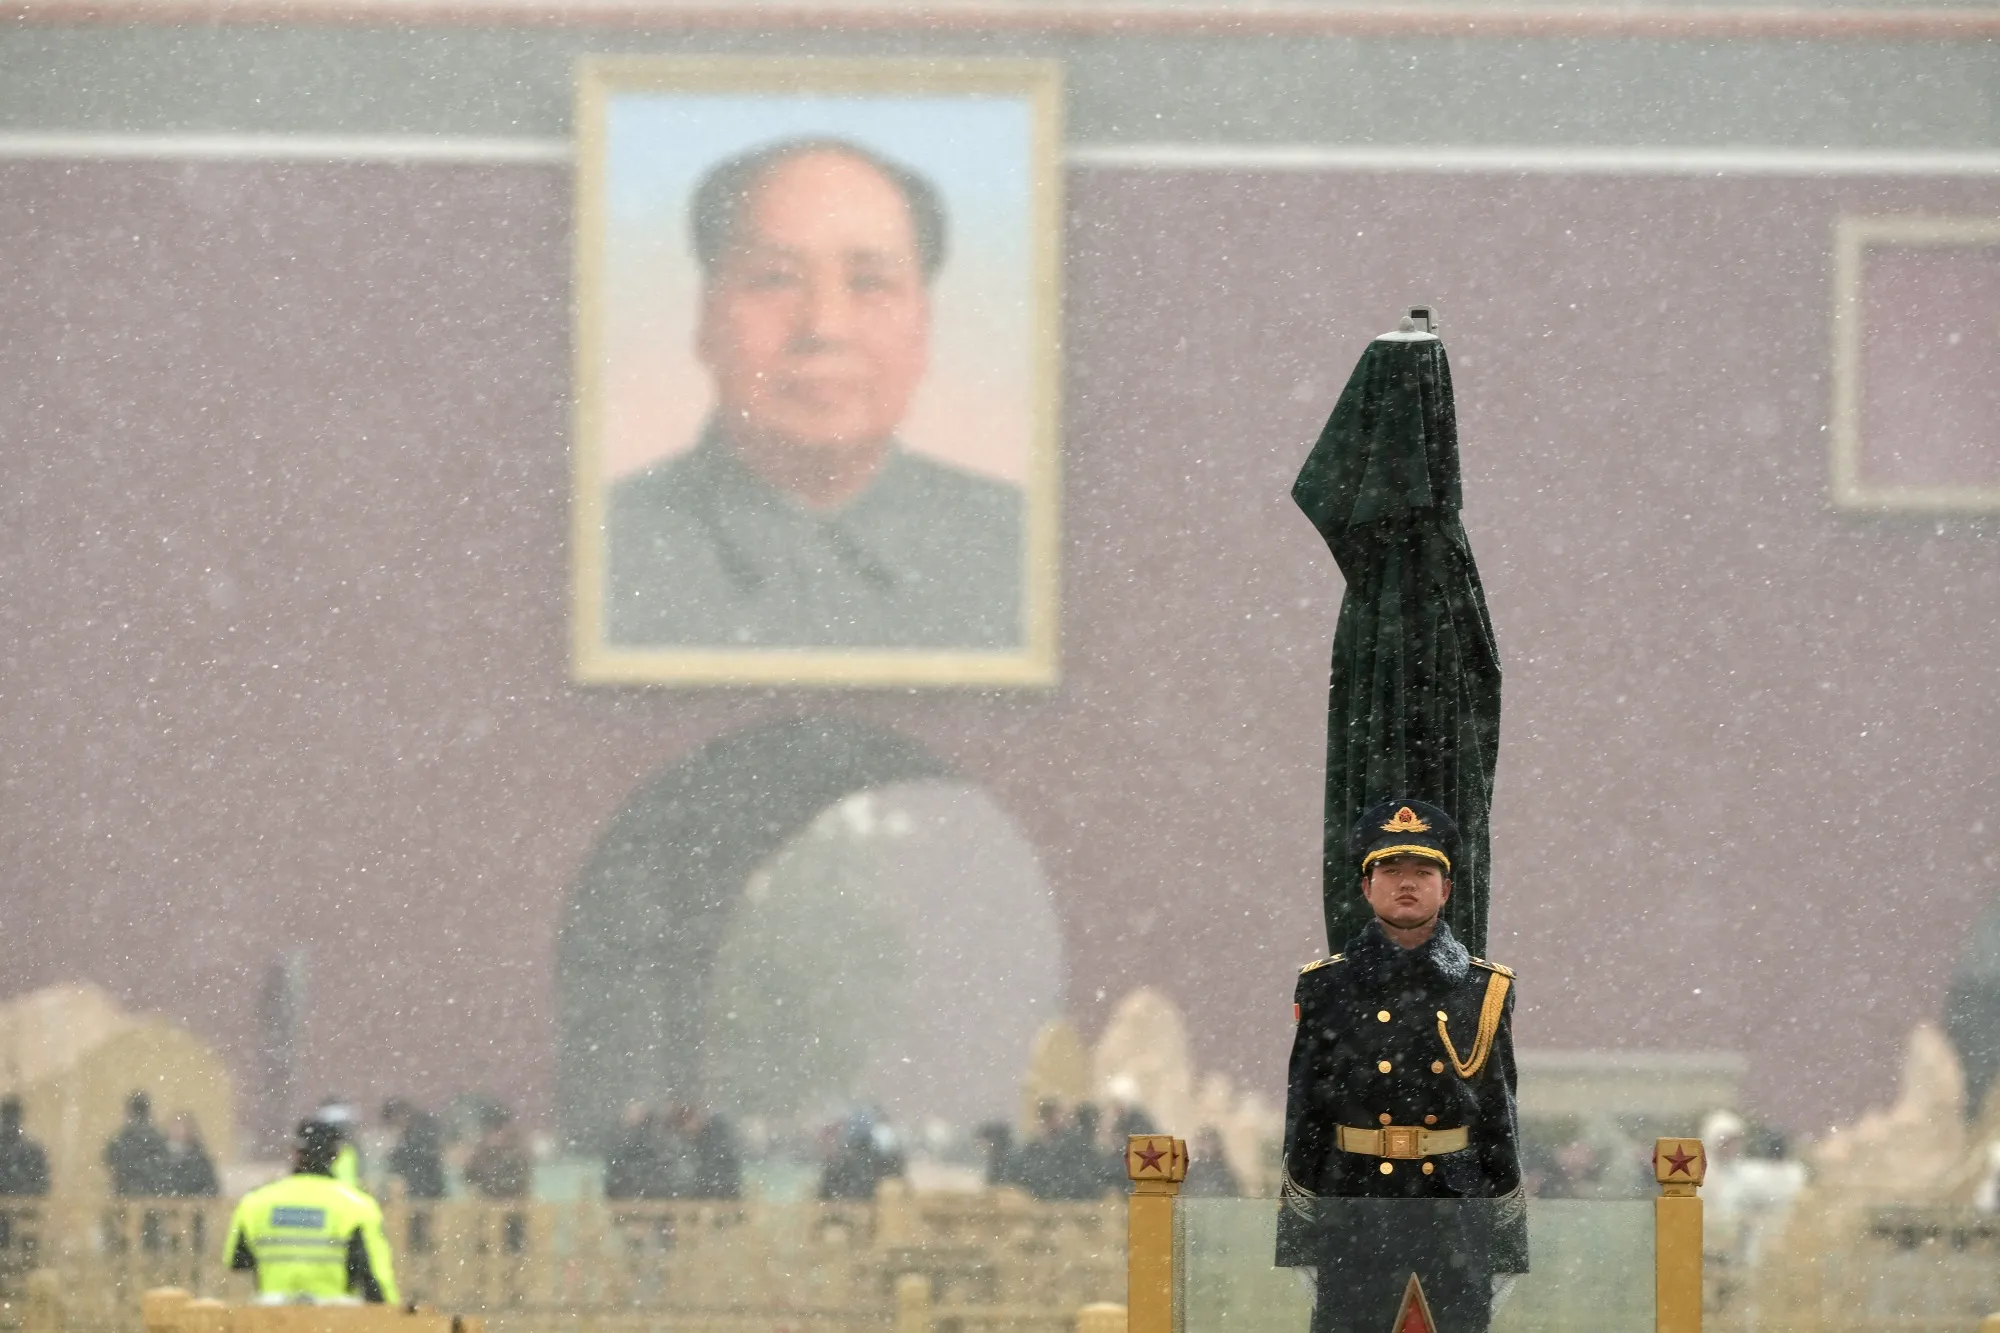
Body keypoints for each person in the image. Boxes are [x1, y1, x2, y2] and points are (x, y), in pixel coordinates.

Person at [605, 136, 1024, 651]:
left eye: (870, 283)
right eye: (776, 280)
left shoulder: (1025, 547)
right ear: (706, 319)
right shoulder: (597, 549)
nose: (825, 326)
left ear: (925, 325)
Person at [1276, 798, 1527, 1333]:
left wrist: (1506, 1243)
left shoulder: (1484, 988)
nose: (1407, 883)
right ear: (1367, 888)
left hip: (1453, 1209)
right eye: (1391, 871)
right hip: (1355, 1203)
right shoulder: (1327, 986)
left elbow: (1497, 1117)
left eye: (1423, 871)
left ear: (1447, 888)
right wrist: (1299, 1235)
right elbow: (1307, 1112)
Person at [224, 1120, 399, 1305]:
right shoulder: (358, 1207)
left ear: (295, 1152)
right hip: (334, 1318)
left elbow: (236, 1261)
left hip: (273, 1316)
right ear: (336, 1155)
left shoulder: (255, 1203)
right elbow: (376, 1278)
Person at [103, 1092, 172, 1197]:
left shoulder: (123, 1137)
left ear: (130, 1111)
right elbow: (166, 1164)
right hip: (154, 1197)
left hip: (125, 1195)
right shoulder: (157, 1137)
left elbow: (109, 1158)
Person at [381, 1098, 447, 1201]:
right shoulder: (416, 1132)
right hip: (427, 1189)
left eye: (392, 1124)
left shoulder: (421, 1134)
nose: (393, 1128)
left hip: (427, 1190)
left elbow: (416, 1158)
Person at [0, 1099, 49, 1198]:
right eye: (8, 1118)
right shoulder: (33, 1151)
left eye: (14, 1118)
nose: (11, 1124)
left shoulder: (33, 1152)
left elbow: (42, 1185)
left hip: (26, 1209)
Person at [164, 1114, 220, 1197]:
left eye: (180, 1128)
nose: (176, 1132)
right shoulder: (159, 1157)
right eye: (174, 1128)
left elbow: (210, 1188)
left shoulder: (200, 1161)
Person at [1183, 1127, 1242, 1198]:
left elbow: (1235, 1198)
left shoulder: (1226, 1174)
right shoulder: (1191, 1173)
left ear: (1217, 1144)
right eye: (1204, 1141)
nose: (1208, 1145)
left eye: (1210, 1141)